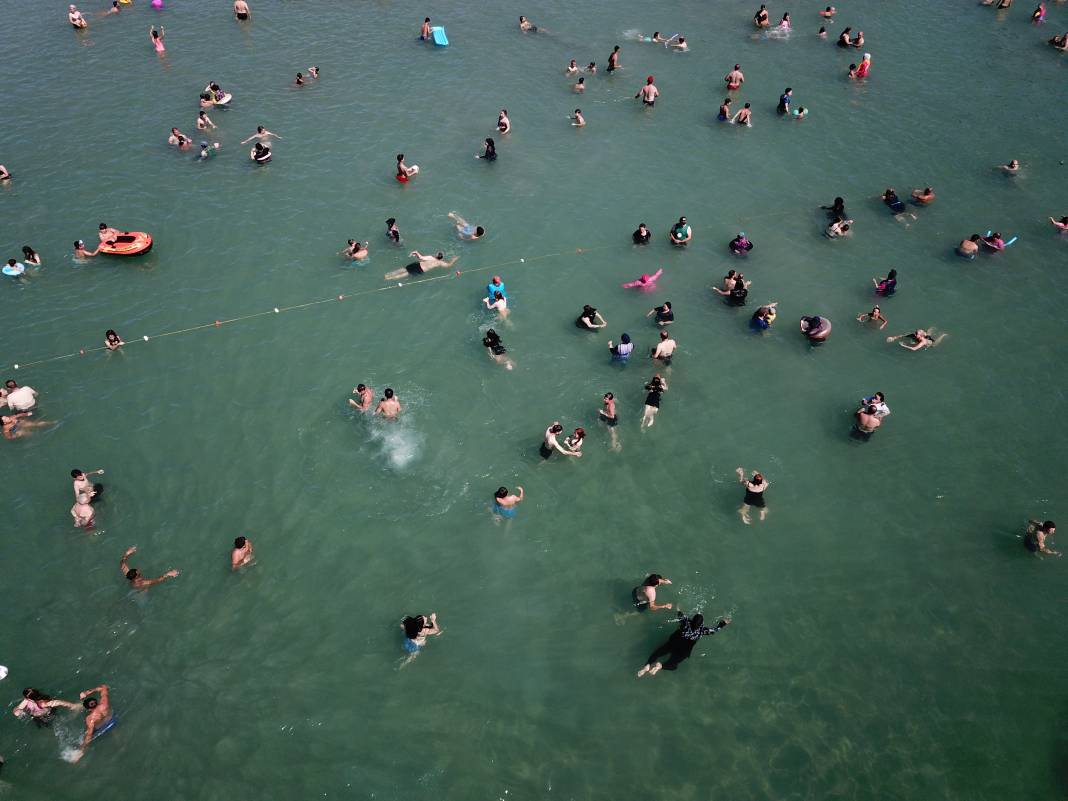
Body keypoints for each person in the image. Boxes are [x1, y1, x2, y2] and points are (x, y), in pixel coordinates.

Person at [637, 613, 730, 676]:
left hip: (674, 642)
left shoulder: (686, 622)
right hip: (684, 650)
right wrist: (723, 623)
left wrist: (678, 609)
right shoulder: (702, 630)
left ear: (692, 620)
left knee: (656, 653)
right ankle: (660, 666)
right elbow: (714, 630)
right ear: (701, 624)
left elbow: (680, 615)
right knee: (673, 665)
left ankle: (647, 665)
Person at [68, 685, 112, 763]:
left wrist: (81, 750)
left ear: (88, 709)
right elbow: (104, 687)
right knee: (114, 732)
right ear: (97, 702)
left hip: (101, 728)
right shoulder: (104, 703)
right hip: (111, 720)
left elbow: (89, 735)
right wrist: (88, 692)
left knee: (86, 734)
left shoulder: (90, 719)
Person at [13, 688, 80, 722]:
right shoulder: (26, 700)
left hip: (47, 716)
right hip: (37, 716)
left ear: (29, 698)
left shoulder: (42, 703)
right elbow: (16, 712)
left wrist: (73, 706)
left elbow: (58, 702)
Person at [384, 250, 457, 280]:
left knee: (404, 269)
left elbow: (420, 257)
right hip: (420, 270)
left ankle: (388, 275)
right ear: (441, 258)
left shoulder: (430, 257)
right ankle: (389, 278)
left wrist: (416, 252)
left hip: (417, 265)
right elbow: (448, 265)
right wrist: (453, 260)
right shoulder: (440, 263)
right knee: (406, 273)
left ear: (436, 255)